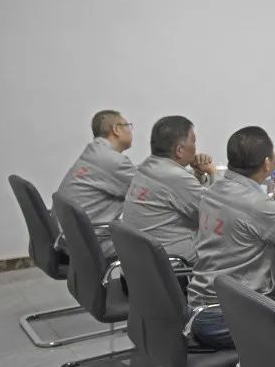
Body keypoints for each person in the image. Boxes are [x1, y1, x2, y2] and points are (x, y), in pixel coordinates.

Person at [186, 126, 275, 349]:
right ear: (267, 164)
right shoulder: (255, 204)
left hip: (201, 306)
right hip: (224, 316)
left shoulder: (215, 189)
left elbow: (254, 222)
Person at [121, 116, 216, 265]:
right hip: (173, 265)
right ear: (180, 150)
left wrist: (198, 173)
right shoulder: (175, 177)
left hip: (141, 264)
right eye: (194, 141)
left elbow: (185, 199)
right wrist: (212, 173)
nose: (195, 148)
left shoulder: (147, 166)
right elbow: (217, 214)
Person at [56, 110, 136, 258]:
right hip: (93, 242)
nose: (131, 131)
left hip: (71, 237)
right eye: (128, 125)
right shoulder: (113, 161)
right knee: (158, 241)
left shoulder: (95, 152)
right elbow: (148, 190)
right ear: (116, 129)